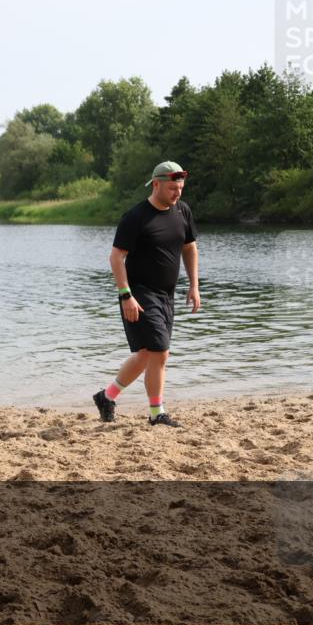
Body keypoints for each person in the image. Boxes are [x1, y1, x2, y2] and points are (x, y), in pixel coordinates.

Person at [93, 161, 201, 427]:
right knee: (160, 352)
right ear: (156, 184)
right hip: (139, 294)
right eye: (173, 188)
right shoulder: (136, 217)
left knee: (146, 354)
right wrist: (125, 295)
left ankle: (107, 396)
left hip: (167, 295)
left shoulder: (182, 211)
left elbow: (190, 248)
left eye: (181, 188)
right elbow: (116, 257)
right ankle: (157, 413)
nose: (178, 194)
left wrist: (194, 285)